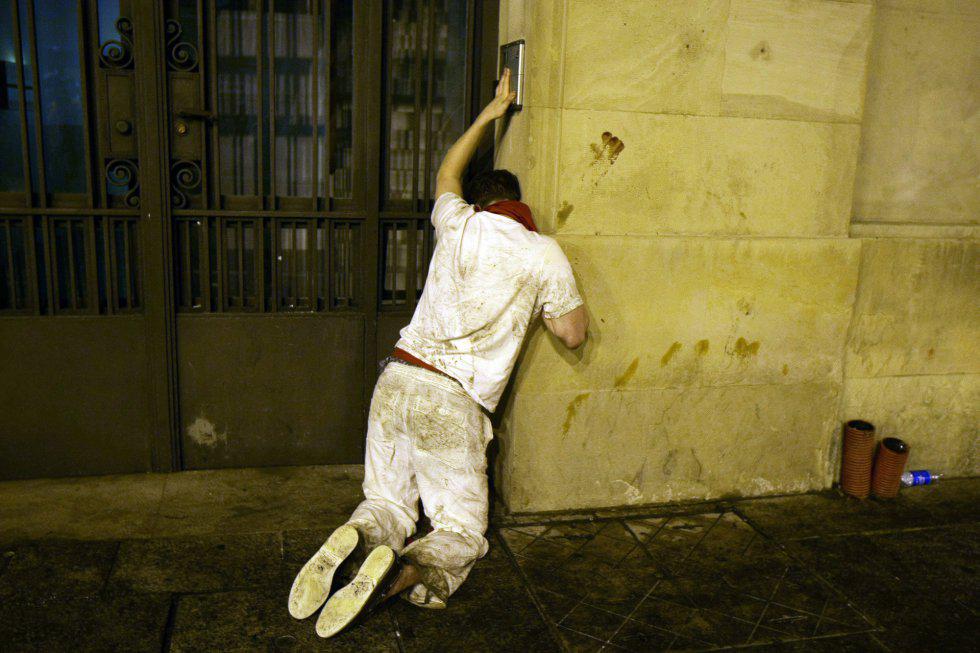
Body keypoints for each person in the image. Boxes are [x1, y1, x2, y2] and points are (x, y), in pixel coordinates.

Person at [288, 67, 589, 638]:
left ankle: (362, 537)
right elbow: (572, 334)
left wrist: (488, 113)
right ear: (519, 206)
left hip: (398, 378)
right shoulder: (543, 252)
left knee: (386, 502)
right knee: (459, 530)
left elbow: (446, 171)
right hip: (453, 402)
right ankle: (411, 570)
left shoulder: (456, 223)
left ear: (481, 202)